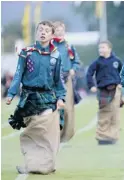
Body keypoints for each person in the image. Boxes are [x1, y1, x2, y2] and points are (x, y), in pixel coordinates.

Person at [6, 20, 66, 174]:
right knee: (32, 131)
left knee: (43, 129)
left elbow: (59, 80)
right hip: (28, 97)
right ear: (36, 32)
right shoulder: (26, 52)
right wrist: (11, 93)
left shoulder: (56, 55)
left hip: (47, 97)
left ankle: (45, 164)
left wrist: (61, 98)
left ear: (52, 35)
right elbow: (18, 73)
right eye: (40, 29)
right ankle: (33, 164)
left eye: (46, 30)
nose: (43, 32)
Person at [86, 40, 124, 145]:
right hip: (102, 90)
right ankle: (102, 137)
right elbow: (89, 74)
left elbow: (123, 73)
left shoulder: (116, 61)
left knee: (115, 112)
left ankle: (113, 137)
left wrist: (121, 83)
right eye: (99, 48)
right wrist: (91, 86)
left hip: (115, 89)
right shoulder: (97, 62)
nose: (101, 50)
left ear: (109, 49)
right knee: (104, 112)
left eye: (103, 47)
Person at [52, 21, 81, 142]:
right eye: (57, 30)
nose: (60, 33)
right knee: (54, 108)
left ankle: (66, 135)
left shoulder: (69, 46)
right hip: (52, 79)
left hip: (66, 78)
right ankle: (53, 135)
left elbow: (76, 61)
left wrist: (73, 69)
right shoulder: (49, 45)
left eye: (61, 30)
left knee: (68, 107)